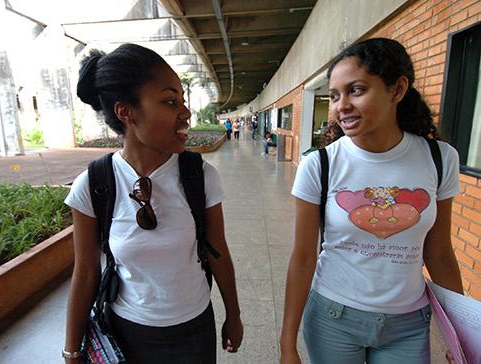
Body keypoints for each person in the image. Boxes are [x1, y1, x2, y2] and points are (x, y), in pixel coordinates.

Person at [280, 38, 463, 364]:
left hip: (408, 325)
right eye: (334, 95)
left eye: (356, 90)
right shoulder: (319, 164)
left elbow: (439, 253)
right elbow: (303, 257)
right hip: (333, 318)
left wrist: (460, 332)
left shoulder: (439, 159)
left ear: (397, 89)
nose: (341, 106)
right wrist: (287, 343)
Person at [63, 44, 243, 364]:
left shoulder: (199, 177)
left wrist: (234, 314)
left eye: (182, 101)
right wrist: (72, 348)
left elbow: (218, 252)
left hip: (195, 330)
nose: (185, 113)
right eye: (170, 101)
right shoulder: (93, 185)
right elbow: (86, 273)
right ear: (125, 111)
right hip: (127, 333)